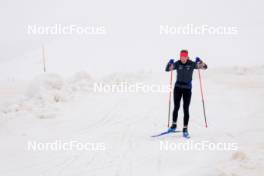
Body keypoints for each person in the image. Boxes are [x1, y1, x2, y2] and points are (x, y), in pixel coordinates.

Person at [165, 49, 207, 138]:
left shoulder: (192, 64)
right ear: (180, 56)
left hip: (187, 89)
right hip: (178, 88)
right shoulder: (177, 63)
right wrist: (169, 63)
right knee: (176, 107)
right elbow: (167, 69)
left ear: (187, 57)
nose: (183, 59)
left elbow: (205, 67)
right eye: (181, 57)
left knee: (186, 108)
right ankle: (174, 125)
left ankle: (185, 129)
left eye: (184, 57)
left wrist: (200, 62)